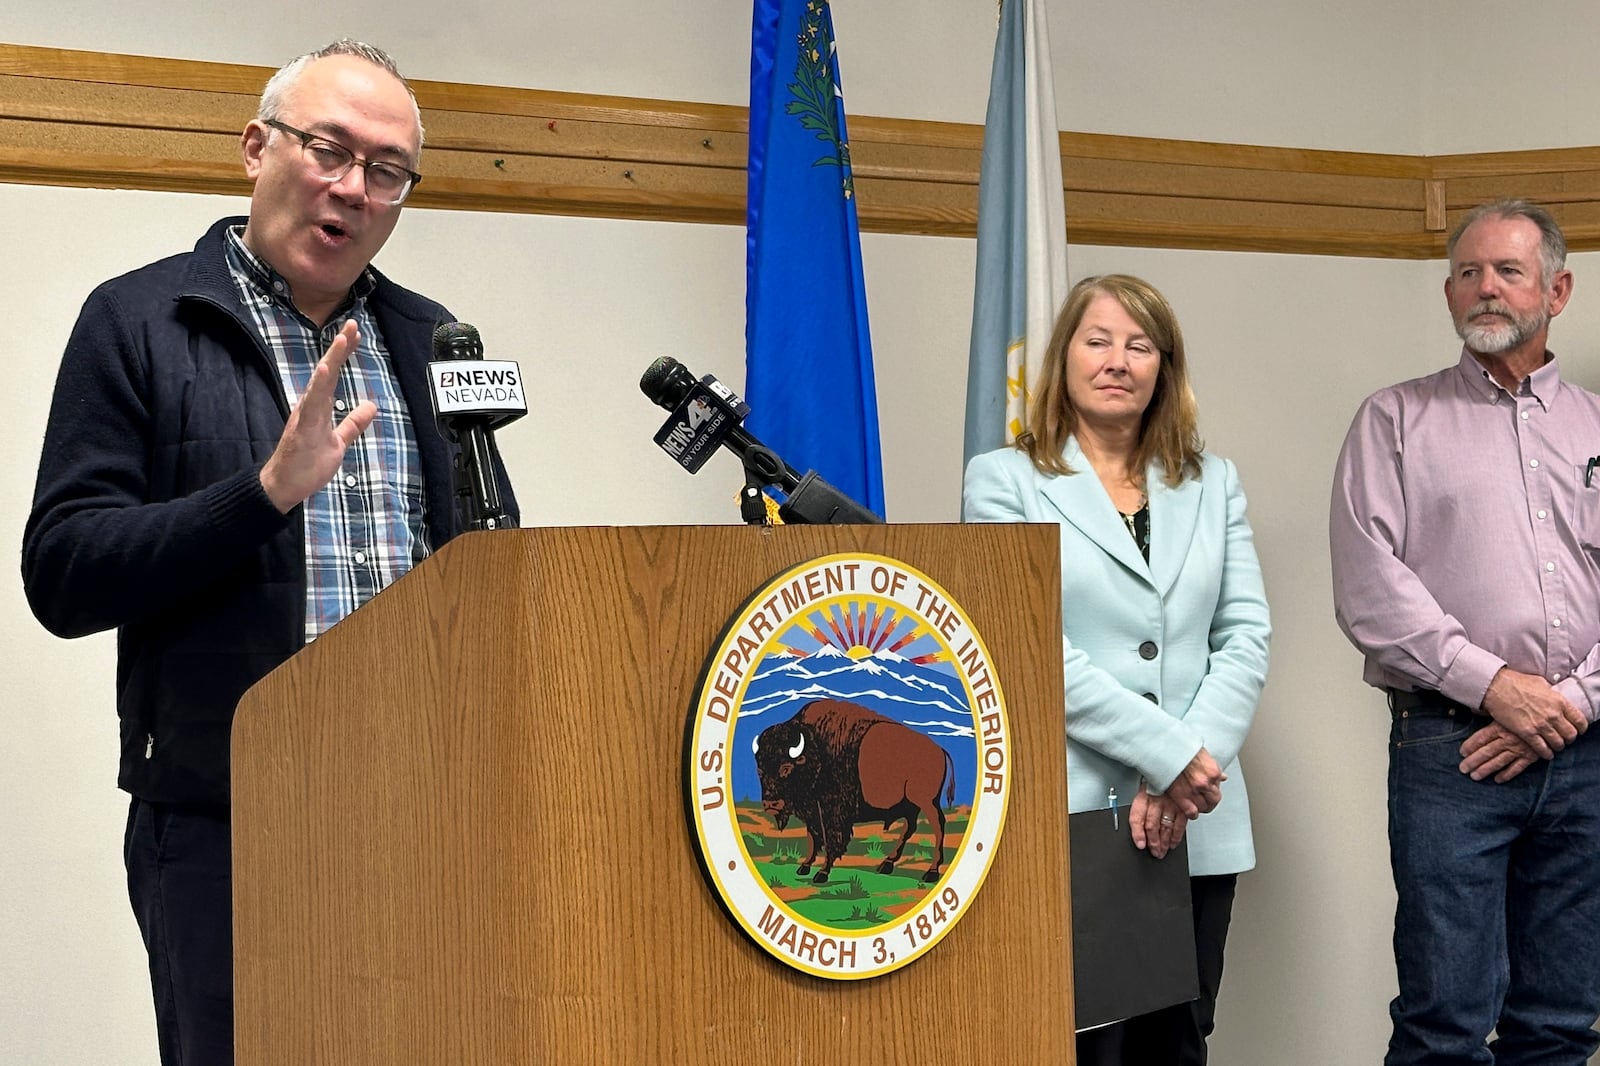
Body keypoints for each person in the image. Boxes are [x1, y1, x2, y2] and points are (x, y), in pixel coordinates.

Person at [20, 40, 517, 1065]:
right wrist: (259, 497)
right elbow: (63, 571)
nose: (353, 188)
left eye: (386, 171)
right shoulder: (140, 321)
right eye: (329, 149)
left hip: (421, 817)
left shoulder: (434, 341)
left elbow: (488, 569)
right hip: (225, 823)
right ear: (256, 149)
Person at [963, 274, 1271, 1064]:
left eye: (1140, 346)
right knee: (1084, 1048)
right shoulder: (1004, 482)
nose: (1117, 361)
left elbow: (1244, 637)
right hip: (1074, 818)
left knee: (1180, 1045)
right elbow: (1030, 648)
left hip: (1197, 818)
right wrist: (1166, 757)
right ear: (1064, 356)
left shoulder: (1213, 482)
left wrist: (1183, 774)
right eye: (1097, 340)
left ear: (1164, 368)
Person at [1330, 199, 1600, 1065]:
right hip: (1449, 753)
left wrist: (1566, 705)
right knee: (1445, 1022)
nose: (1486, 288)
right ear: (1448, 292)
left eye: (1508, 271)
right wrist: (1497, 689)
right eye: (1468, 273)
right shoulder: (1392, 421)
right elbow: (1371, 591)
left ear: (1557, 289)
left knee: (1560, 1024)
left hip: (1588, 755)